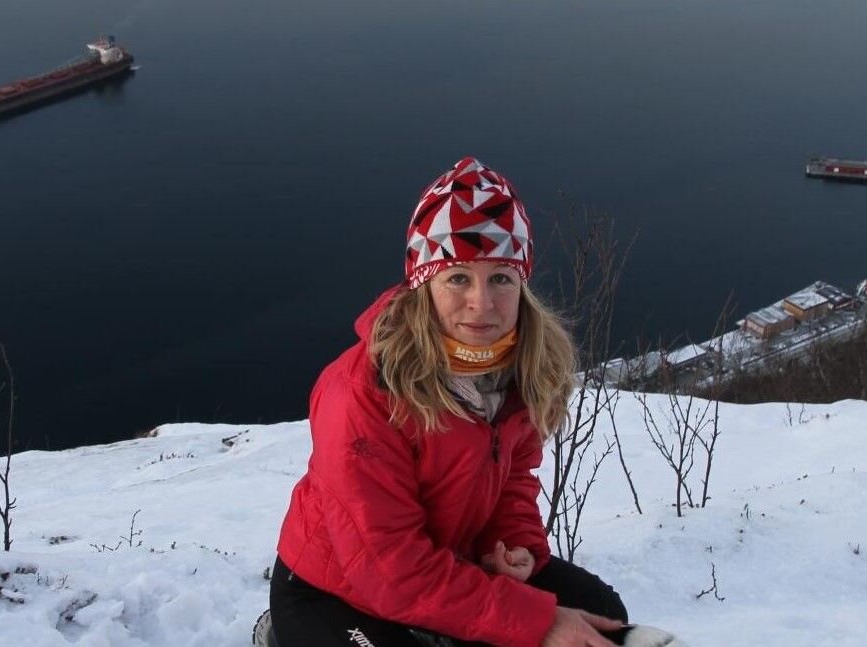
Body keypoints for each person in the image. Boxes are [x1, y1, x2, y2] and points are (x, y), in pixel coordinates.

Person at [268, 157, 637, 647]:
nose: (482, 303)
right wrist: (537, 622)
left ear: (522, 286)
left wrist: (515, 545)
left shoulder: (525, 368)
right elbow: (391, 570)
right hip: (336, 590)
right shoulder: (365, 390)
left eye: (501, 278)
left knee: (601, 616)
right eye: (458, 277)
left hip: (447, 561)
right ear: (424, 285)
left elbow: (513, 478)